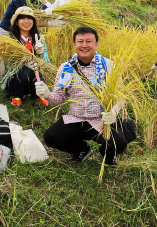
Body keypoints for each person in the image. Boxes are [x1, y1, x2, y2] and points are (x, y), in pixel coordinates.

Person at [37, 27, 127, 164]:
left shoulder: (108, 66)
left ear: (96, 44)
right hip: (76, 118)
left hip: (100, 120)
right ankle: (81, 150)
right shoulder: (66, 68)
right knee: (50, 137)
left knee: (119, 143)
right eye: (80, 41)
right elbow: (58, 99)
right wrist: (47, 94)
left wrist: (114, 111)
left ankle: (107, 157)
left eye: (89, 41)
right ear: (75, 44)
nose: (84, 45)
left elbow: (121, 96)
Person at [2, 6, 50, 106]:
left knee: (39, 76)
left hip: (34, 75)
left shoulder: (38, 38)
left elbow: (47, 64)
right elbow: (9, 66)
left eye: (29, 18)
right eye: (23, 18)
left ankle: (37, 96)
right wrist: (24, 63)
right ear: (16, 22)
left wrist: (41, 53)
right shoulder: (11, 40)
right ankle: (16, 96)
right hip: (16, 79)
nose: (26, 21)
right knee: (26, 72)